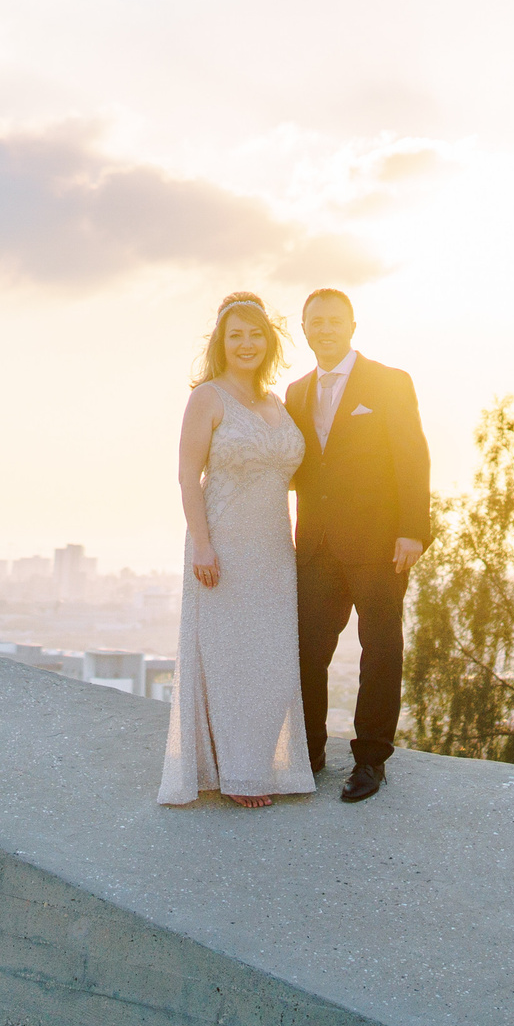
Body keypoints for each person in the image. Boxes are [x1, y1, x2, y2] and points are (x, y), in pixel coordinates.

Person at [158, 292, 315, 808]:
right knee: (227, 658)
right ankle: (238, 775)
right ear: (221, 344)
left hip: (274, 550)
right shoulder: (207, 397)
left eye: (255, 334)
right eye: (235, 335)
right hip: (221, 546)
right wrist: (203, 546)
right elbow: (187, 478)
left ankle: (262, 760)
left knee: (270, 658)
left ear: (269, 341)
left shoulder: (277, 403)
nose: (246, 343)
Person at [286, 288, 430, 803]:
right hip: (316, 547)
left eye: (333, 320)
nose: (324, 329)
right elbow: (299, 468)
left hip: (379, 543)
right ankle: (309, 752)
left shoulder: (389, 383)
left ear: (351, 325)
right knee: (306, 651)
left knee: (382, 649)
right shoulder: (296, 392)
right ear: (304, 330)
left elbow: (412, 456)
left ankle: (370, 760)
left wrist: (413, 529)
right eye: (315, 322)